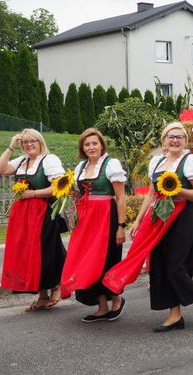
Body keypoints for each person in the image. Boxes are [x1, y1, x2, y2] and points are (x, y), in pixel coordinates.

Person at [102, 122, 193, 332]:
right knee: (159, 266)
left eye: (179, 136)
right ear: (164, 141)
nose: (175, 140)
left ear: (185, 141)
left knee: (175, 265)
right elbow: (151, 194)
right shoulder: (157, 162)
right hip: (158, 216)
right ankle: (174, 315)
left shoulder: (191, 161)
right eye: (171, 136)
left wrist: (178, 191)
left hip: (182, 215)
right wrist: (139, 220)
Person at [60, 128, 127, 322]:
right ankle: (102, 306)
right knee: (85, 260)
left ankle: (116, 299)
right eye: (87, 144)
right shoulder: (81, 166)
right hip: (85, 219)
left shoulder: (111, 164)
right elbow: (82, 194)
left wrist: (121, 225)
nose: (91, 147)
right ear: (82, 147)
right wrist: (72, 194)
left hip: (106, 216)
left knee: (105, 260)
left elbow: (121, 198)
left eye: (94, 143)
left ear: (101, 145)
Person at [0, 129, 66, 312]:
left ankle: (56, 286)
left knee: (44, 252)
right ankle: (42, 296)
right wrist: (11, 145)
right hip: (23, 215)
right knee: (28, 254)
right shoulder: (22, 161)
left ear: (40, 141)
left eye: (32, 141)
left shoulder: (49, 160)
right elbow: (0, 169)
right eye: (25, 142)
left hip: (42, 212)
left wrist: (33, 193)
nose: (29, 144)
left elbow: (60, 186)